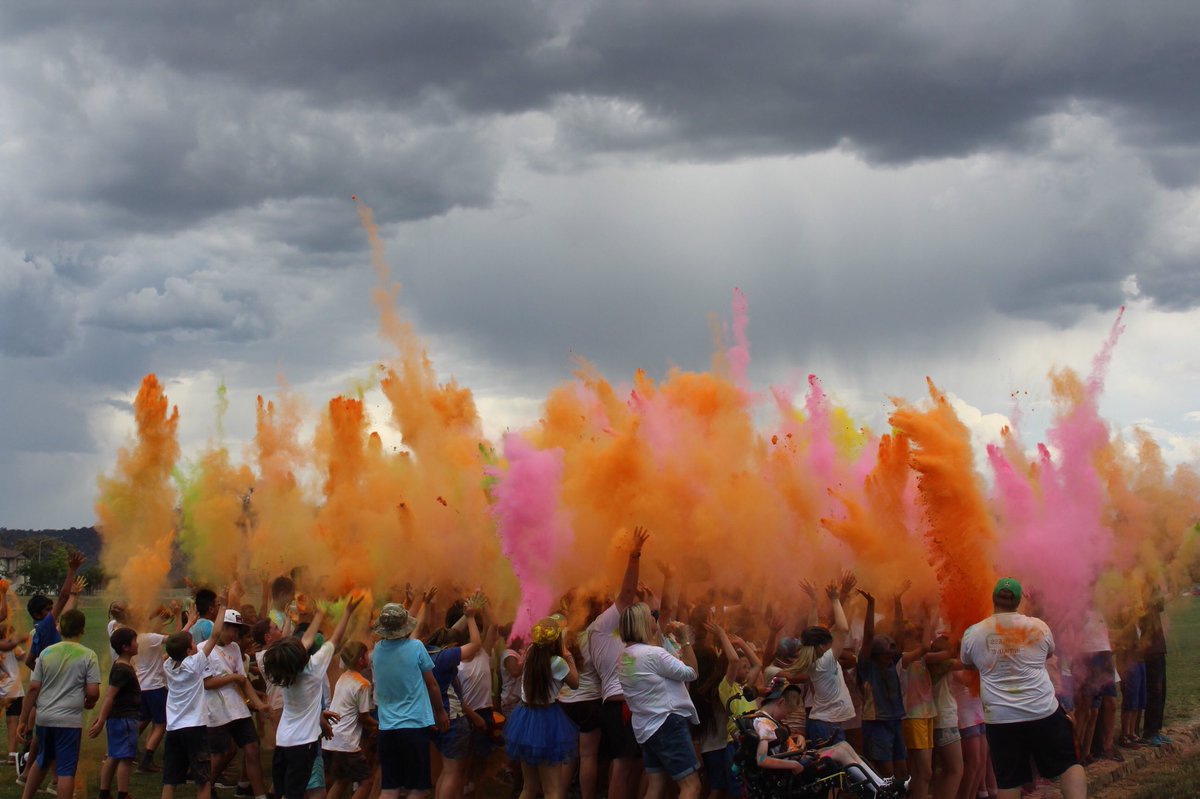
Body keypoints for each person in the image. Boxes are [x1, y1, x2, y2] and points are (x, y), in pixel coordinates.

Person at [960, 578, 1085, 799]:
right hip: (1043, 710)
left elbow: (968, 663)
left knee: (1009, 782)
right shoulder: (1038, 627)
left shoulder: (973, 633)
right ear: (1019, 601)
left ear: (994, 599)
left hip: (1001, 718)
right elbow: (1047, 654)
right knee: (1068, 765)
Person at [262, 592, 362, 799]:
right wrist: (347, 612)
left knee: (281, 789)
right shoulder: (313, 668)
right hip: (303, 744)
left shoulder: (284, 672)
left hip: (283, 740)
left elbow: (305, 641)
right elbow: (335, 638)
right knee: (294, 793)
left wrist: (319, 614)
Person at [587, 526, 649, 799]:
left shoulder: (608, 631)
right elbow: (626, 595)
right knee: (623, 766)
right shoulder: (602, 626)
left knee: (628, 765)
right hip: (620, 705)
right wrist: (634, 555)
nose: (614, 602)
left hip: (625, 704)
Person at [617, 602, 700, 799]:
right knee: (691, 786)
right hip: (667, 723)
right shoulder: (653, 654)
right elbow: (692, 672)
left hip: (647, 727)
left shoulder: (626, 656)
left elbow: (652, 656)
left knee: (656, 785)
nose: (654, 617)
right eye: (649, 615)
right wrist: (685, 640)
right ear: (641, 624)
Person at [16, 608, 101, 799]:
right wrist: (90, 702)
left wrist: (23, 720)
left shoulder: (46, 653)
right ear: (83, 630)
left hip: (44, 718)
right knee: (66, 770)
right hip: (69, 721)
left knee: (42, 760)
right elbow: (93, 691)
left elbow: (33, 688)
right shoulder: (88, 655)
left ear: (60, 629)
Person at [372, 602, 449, 799]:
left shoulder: (377, 651)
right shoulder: (416, 647)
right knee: (418, 789)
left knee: (390, 789)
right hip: (413, 727)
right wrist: (440, 712)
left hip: (387, 729)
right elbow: (432, 684)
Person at [504, 617, 580, 799]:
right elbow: (575, 683)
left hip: (525, 718)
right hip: (548, 720)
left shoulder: (530, 654)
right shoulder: (557, 662)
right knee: (551, 789)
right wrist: (569, 658)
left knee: (528, 787)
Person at [161, 592, 226, 799]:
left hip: (173, 729)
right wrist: (223, 607)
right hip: (195, 729)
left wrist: (188, 624)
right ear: (190, 650)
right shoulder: (194, 664)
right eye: (191, 642)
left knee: (170, 780)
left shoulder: (168, 665)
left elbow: (173, 646)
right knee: (203, 779)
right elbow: (215, 636)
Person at [204, 605, 269, 799]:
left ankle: (259, 795)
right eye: (232, 629)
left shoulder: (234, 649)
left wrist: (259, 704)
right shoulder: (204, 649)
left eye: (237, 630)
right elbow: (207, 683)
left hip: (239, 709)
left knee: (252, 748)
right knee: (222, 753)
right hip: (216, 710)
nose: (235, 634)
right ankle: (207, 786)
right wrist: (233, 679)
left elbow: (244, 679)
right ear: (221, 627)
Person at [855, 589, 907, 779]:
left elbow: (900, 635)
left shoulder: (891, 662)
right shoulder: (867, 665)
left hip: (894, 720)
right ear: (876, 654)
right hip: (876, 723)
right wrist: (871, 605)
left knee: (902, 775)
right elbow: (868, 637)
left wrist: (898, 602)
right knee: (887, 777)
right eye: (887, 653)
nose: (891, 656)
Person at [89, 627, 143, 799]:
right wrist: (101, 720)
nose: (138, 644)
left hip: (118, 718)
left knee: (113, 755)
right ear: (126, 647)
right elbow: (109, 696)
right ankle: (123, 793)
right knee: (126, 758)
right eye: (135, 641)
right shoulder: (123, 669)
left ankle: (104, 793)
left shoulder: (122, 665)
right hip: (125, 719)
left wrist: (104, 717)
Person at [324, 641, 377, 799]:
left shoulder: (343, 677)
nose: (368, 657)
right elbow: (364, 717)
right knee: (366, 782)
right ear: (361, 659)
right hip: (347, 743)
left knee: (341, 781)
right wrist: (379, 726)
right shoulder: (363, 683)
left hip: (332, 738)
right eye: (366, 654)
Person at [1139, 590, 1169, 746]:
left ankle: (1156, 729)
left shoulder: (1154, 593)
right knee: (1155, 691)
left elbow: (1162, 605)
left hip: (1159, 650)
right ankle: (1150, 732)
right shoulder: (1139, 595)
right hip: (1150, 651)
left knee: (1162, 691)